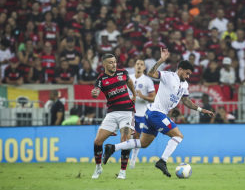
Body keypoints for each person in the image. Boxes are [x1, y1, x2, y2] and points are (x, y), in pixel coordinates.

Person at [103, 48, 214, 177]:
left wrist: (201, 109)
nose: (188, 76)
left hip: (153, 114)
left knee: (143, 143)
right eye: (187, 73)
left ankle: (113, 147)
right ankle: (162, 161)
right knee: (178, 136)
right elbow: (151, 73)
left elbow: (186, 101)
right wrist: (161, 60)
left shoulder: (184, 85)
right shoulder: (168, 76)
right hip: (156, 113)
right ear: (181, 69)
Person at [91, 53, 137, 180]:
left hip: (127, 112)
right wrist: (94, 93)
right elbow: (96, 91)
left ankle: (122, 172)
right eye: (111, 62)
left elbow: (130, 82)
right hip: (111, 113)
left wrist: (134, 94)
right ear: (104, 64)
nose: (114, 64)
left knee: (125, 141)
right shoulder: (101, 79)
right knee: (98, 141)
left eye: (115, 62)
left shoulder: (122, 73)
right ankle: (98, 167)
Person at [128, 59, 156, 168]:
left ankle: (133, 160)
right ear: (134, 66)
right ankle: (125, 159)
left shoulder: (148, 80)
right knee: (127, 135)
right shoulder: (129, 78)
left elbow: (153, 98)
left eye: (141, 64)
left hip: (142, 113)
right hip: (129, 112)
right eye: (137, 64)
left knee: (137, 136)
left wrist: (142, 96)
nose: (139, 66)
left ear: (144, 68)